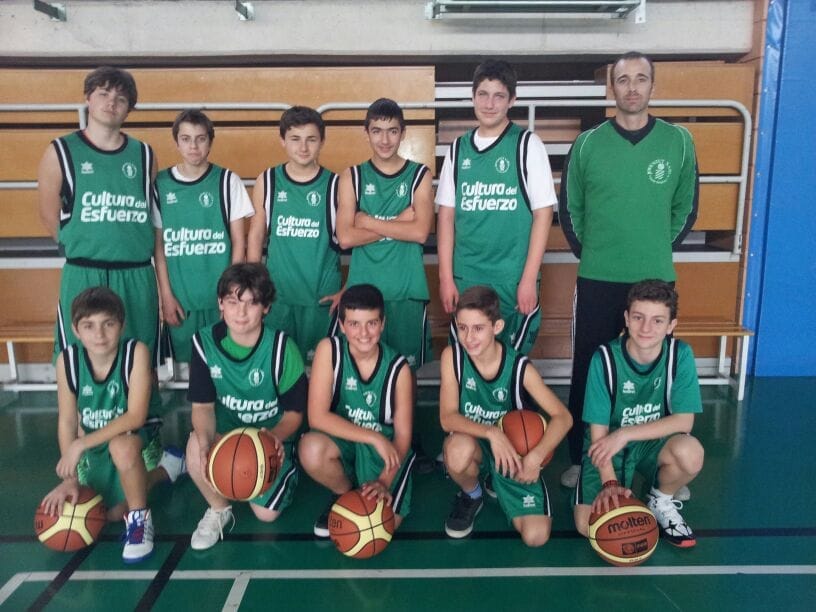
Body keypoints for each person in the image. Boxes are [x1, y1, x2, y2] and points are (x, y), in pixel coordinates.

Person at [558, 51, 699, 490]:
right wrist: (599, 251)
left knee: (656, 370)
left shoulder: (678, 142)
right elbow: (571, 211)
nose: (632, 87)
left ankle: (657, 459)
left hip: (654, 277)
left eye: (641, 79)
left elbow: (685, 208)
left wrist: (653, 247)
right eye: (623, 80)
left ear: (652, 86)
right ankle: (584, 458)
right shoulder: (587, 143)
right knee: (589, 366)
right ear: (611, 87)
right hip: (599, 275)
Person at [40, 287, 185, 564]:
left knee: (123, 449)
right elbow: (68, 420)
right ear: (75, 329)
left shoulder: (136, 353)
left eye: (108, 324)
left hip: (135, 439)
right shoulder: (67, 361)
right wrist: (69, 479)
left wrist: (80, 444)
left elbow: (135, 417)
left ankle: (140, 523)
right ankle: (168, 468)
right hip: (94, 444)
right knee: (109, 513)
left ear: (122, 324)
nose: (99, 334)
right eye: (89, 326)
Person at [37, 66, 160, 363]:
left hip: (136, 271)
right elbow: (47, 212)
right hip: (84, 272)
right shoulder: (60, 151)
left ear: (129, 108)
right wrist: (82, 247)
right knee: (78, 353)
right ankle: (79, 410)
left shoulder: (145, 155)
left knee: (139, 350)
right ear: (88, 99)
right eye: (103, 94)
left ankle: (143, 409)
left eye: (120, 98)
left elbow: (152, 219)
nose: (111, 103)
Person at [436, 59, 557, 355]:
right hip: (468, 274)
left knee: (510, 363)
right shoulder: (458, 148)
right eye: (483, 94)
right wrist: (446, 277)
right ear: (472, 97)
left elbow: (544, 214)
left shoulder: (527, 144)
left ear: (512, 100)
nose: (489, 104)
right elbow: (446, 216)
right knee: (468, 358)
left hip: (511, 277)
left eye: (499, 95)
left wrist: (529, 278)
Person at [572, 280, 704, 548]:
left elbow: (684, 420)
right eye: (638, 317)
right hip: (608, 449)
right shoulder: (605, 359)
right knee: (589, 527)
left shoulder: (680, 355)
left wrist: (625, 433)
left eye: (657, 321)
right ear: (626, 319)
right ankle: (611, 487)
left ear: (671, 326)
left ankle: (660, 498)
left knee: (691, 453)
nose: (646, 328)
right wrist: (609, 483)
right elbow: (598, 435)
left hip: (651, 444)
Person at [185, 263, 306, 551]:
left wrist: (274, 437)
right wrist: (204, 444)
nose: (241, 313)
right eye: (233, 302)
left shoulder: (281, 347)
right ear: (220, 305)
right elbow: (202, 407)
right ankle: (219, 509)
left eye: (252, 303)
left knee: (265, 514)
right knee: (194, 447)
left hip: (270, 437)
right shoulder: (203, 343)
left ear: (266, 308)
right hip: (227, 434)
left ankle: (288, 468)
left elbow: (294, 414)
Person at [439, 285, 572, 546]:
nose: (469, 337)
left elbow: (563, 417)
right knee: (456, 450)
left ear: (496, 327)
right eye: (463, 327)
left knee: (536, 537)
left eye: (478, 328)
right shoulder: (452, 357)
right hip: (477, 445)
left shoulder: (520, 367)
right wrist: (491, 432)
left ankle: (495, 478)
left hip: (515, 453)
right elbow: (447, 417)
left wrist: (535, 456)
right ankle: (472, 494)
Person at [299, 284, 415, 537]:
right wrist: (371, 436)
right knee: (310, 447)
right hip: (353, 439)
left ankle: (370, 488)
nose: (363, 333)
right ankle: (343, 494)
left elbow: (403, 438)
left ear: (383, 323)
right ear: (341, 325)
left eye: (371, 323)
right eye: (354, 324)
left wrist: (384, 481)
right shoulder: (329, 350)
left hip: (383, 451)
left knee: (379, 529)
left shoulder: (399, 369)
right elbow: (316, 417)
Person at [336, 98, 433, 371]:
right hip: (362, 293)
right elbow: (345, 238)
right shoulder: (352, 176)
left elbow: (420, 232)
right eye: (377, 130)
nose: (385, 139)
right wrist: (398, 222)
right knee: (360, 370)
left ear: (403, 133)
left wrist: (367, 221)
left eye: (392, 131)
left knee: (406, 373)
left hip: (407, 290)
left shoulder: (419, 175)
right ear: (366, 133)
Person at [154, 109, 255, 364]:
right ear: (176, 142)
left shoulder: (227, 181)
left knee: (223, 364)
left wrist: (232, 297)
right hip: (180, 298)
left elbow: (239, 242)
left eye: (200, 138)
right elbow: (159, 247)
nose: (193, 146)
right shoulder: (160, 184)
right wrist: (165, 295)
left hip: (218, 297)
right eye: (186, 139)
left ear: (210, 141)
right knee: (184, 370)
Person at [247, 106, 342, 364]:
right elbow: (256, 235)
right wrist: (254, 288)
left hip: (320, 297)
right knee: (279, 367)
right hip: (279, 297)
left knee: (321, 371)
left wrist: (348, 286)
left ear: (322, 141)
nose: (303, 147)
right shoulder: (268, 180)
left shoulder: (337, 185)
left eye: (311, 139)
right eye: (295, 139)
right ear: (282, 141)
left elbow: (352, 238)